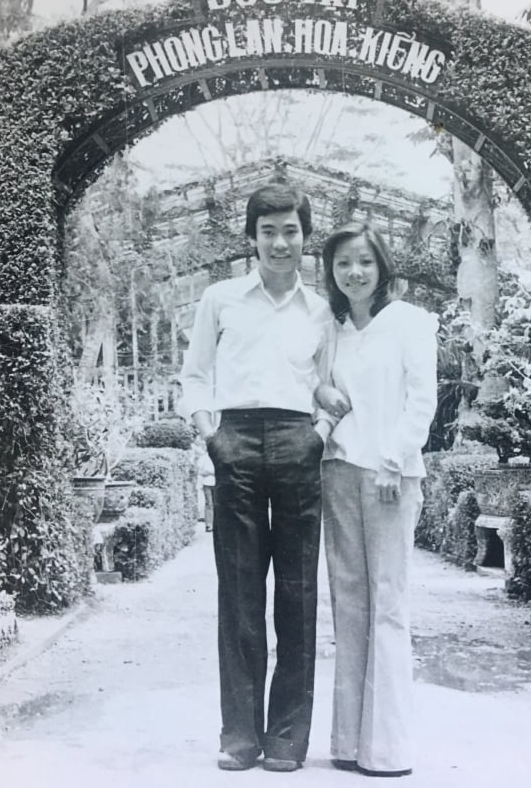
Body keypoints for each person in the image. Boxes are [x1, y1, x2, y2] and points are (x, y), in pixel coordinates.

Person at [179, 183, 330, 774]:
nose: (280, 241)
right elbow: (194, 374)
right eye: (268, 230)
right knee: (239, 594)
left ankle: (289, 737)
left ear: (305, 238)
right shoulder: (221, 299)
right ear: (252, 237)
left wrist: (319, 431)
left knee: (296, 592)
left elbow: (331, 382)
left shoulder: (320, 310)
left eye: (290, 230)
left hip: (298, 441)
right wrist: (209, 431)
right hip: (235, 441)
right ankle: (240, 735)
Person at [315, 222, 438, 778]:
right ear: (332, 272)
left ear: (382, 266)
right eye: (343, 264)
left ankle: (386, 751)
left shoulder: (411, 323)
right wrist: (320, 392)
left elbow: (421, 399)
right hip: (339, 471)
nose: (354, 273)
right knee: (348, 607)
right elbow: (309, 386)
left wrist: (393, 459)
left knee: (388, 605)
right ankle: (347, 743)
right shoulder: (332, 327)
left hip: (390, 476)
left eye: (364, 261)